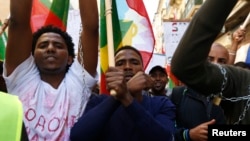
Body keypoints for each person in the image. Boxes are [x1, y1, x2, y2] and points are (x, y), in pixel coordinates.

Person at [3, 0, 98, 140]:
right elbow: (18, 22)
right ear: (32, 56)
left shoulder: (80, 81)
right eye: (43, 45)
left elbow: (91, 28)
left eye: (58, 46)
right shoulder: (21, 77)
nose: (50, 48)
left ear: (71, 58)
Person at [70, 46, 176, 141]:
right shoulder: (98, 102)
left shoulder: (162, 103)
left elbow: (165, 137)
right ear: (111, 73)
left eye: (134, 62)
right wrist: (121, 94)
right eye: (120, 63)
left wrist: (126, 96)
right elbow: (78, 136)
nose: (127, 67)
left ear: (143, 71)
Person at [171, 0, 250, 125]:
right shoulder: (242, 83)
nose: (216, 64)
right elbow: (186, 67)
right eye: (210, 60)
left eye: (221, 61)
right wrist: (189, 135)